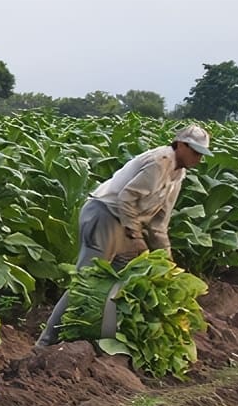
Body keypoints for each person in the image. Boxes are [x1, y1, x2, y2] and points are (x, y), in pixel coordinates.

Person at [35, 124, 213, 347]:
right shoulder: (160, 162)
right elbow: (126, 198)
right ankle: (45, 342)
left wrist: (167, 262)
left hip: (126, 223)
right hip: (104, 215)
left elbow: (159, 224)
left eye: (201, 154)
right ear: (180, 145)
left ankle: (97, 341)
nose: (198, 158)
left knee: (119, 283)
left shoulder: (178, 174)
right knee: (88, 280)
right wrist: (136, 237)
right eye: (195, 152)